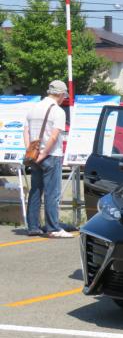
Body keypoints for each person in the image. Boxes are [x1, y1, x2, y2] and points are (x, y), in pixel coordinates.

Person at [23, 80, 73, 238]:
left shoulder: (33, 108)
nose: (63, 98)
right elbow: (54, 135)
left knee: (35, 190)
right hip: (51, 155)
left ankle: (33, 227)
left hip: (34, 155)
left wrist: (30, 151)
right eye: (63, 95)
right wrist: (44, 153)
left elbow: (26, 131)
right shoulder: (58, 111)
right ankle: (53, 228)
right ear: (59, 94)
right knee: (52, 192)